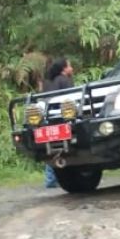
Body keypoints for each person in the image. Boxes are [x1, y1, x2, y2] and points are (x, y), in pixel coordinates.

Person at [42, 58, 75, 188]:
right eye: (70, 66)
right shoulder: (64, 81)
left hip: (49, 117)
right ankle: (56, 178)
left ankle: (50, 179)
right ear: (64, 69)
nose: (72, 68)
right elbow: (71, 99)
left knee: (51, 147)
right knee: (65, 147)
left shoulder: (48, 82)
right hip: (63, 117)